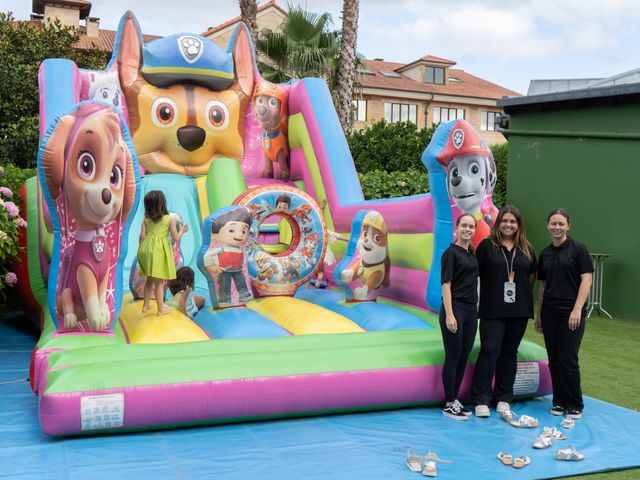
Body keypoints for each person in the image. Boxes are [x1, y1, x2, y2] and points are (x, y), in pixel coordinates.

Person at [471, 205, 537, 418]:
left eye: (513, 222)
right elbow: (475, 274)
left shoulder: (526, 248)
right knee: (489, 351)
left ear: (519, 225)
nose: (509, 225)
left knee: (509, 353)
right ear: (499, 223)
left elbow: (531, 276)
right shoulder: (486, 246)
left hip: (518, 310)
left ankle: (503, 398)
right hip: (493, 309)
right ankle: (481, 399)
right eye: (505, 221)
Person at [536, 208, 593, 420]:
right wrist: (540, 314)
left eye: (561, 224)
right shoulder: (545, 253)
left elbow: (586, 280)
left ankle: (575, 403)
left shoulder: (579, 249)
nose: (557, 227)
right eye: (553, 223)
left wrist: (577, 308)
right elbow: (543, 286)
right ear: (547, 226)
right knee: (554, 359)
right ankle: (558, 401)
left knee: (568, 358)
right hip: (550, 313)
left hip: (572, 313)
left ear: (568, 225)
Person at [439, 213, 479, 421]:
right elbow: (446, 285)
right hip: (454, 309)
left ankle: (455, 400)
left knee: (464, 357)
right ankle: (449, 402)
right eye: (464, 225)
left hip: (471, 311)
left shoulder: (472, 254)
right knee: (453, 357)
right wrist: (449, 315)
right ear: (457, 227)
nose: (468, 229)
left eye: (471, 227)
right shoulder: (450, 253)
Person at [137, 190, 188, 315]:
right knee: (159, 282)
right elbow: (175, 238)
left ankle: (146, 305)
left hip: (144, 250)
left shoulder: (146, 220)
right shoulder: (169, 219)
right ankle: (161, 309)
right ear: (162, 204)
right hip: (157, 251)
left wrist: (142, 250)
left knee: (149, 278)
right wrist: (183, 230)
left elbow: (142, 236)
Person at [203, 207, 253, 306]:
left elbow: (243, 258)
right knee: (224, 285)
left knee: (241, 283)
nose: (240, 235)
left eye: (243, 231)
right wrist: (212, 266)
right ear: (216, 235)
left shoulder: (240, 248)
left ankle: (244, 297)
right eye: (231, 230)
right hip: (225, 270)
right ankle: (224, 300)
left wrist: (243, 265)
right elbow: (208, 255)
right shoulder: (222, 248)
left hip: (238, 271)